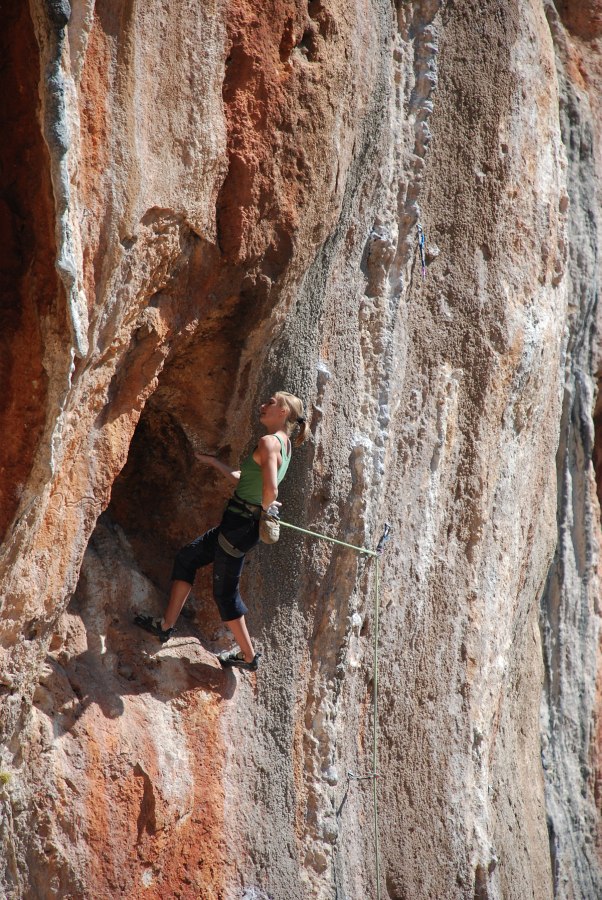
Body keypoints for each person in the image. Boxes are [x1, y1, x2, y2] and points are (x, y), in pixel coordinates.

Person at [134, 391, 309, 671]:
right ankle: (165, 626)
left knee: (225, 595)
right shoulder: (284, 445)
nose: (263, 405)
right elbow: (249, 481)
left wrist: (267, 505)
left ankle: (249, 657)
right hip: (240, 526)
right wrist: (216, 463)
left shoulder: (268, 442)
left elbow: (271, 490)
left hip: (239, 527)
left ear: (284, 412)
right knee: (188, 558)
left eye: (271, 403)